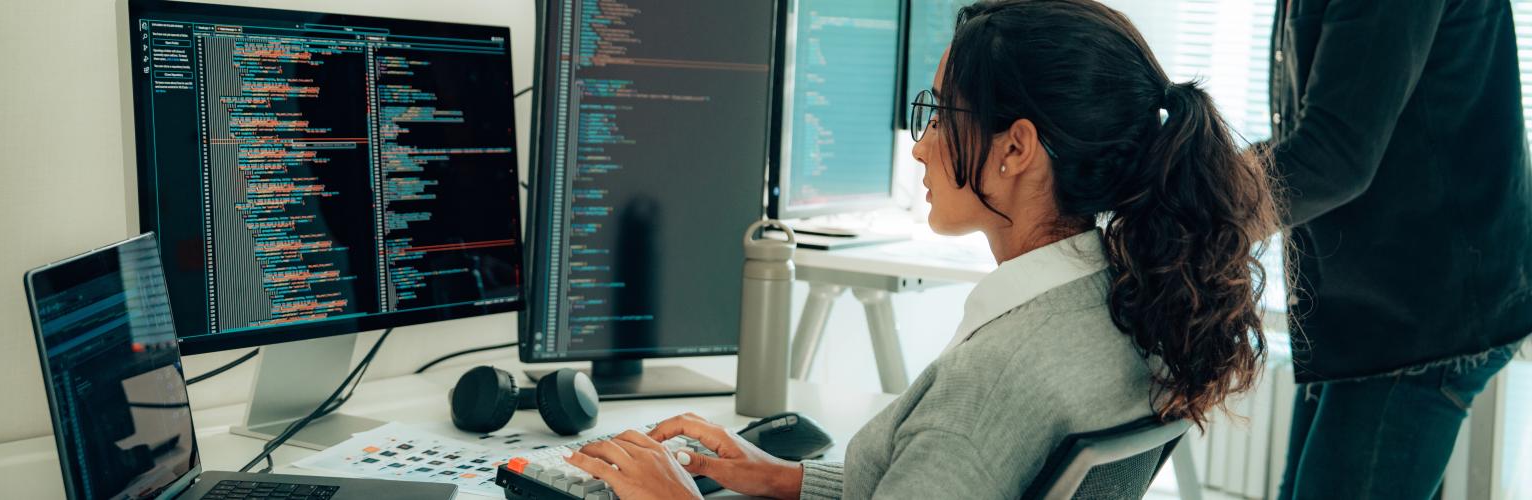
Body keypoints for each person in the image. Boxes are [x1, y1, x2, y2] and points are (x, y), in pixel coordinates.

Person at [548, 1, 1282, 498]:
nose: (923, 148)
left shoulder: (997, 378)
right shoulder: (1122, 304)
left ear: (1016, 148)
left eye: (939, 116)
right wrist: (786, 479)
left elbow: (965, 446)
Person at [1262, 1, 1532, 498]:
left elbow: (1333, 155)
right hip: (1372, 308)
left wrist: (1185, 207)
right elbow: (1314, 132)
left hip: (1424, 318)